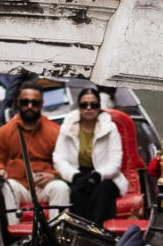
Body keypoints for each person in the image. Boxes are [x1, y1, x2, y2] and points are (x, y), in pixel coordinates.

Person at [0, 80, 70, 220]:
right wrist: (0, 170)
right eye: (25, 102)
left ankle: (57, 234)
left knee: (61, 188)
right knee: (8, 187)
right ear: (18, 103)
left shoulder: (54, 132)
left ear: (41, 104)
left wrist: (54, 176)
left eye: (35, 103)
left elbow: (66, 162)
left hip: (44, 185)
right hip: (17, 184)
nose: (30, 106)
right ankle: (10, 233)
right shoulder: (4, 132)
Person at [53, 85, 126, 225]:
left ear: (99, 107)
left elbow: (115, 161)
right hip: (77, 173)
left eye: (93, 105)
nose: (88, 108)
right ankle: (79, 229)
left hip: (104, 176)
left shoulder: (110, 127)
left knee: (103, 190)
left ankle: (97, 230)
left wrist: (97, 175)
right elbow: (59, 158)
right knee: (75, 191)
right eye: (84, 105)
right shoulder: (68, 125)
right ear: (78, 107)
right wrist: (74, 176)